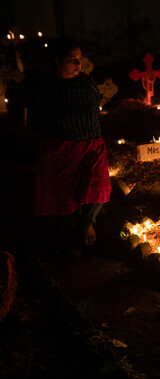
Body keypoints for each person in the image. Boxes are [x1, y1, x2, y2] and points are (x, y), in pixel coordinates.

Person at [28, 37, 111, 253]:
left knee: (98, 186)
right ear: (57, 61)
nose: (78, 64)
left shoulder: (87, 84)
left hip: (91, 143)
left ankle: (88, 222)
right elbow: (36, 119)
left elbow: (94, 111)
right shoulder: (45, 89)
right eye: (71, 60)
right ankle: (71, 235)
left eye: (80, 59)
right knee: (64, 193)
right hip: (60, 147)